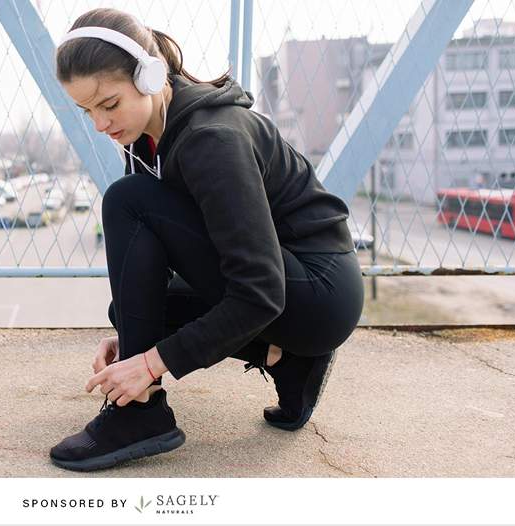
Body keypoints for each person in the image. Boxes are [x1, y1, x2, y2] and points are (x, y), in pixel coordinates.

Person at [50, 7, 364, 472]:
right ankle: (291, 364)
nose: (100, 124)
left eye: (109, 104)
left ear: (151, 75)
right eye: (87, 110)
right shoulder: (145, 142)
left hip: (318, 293)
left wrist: (151, 363)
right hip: (288, 288)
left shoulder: (211, 140)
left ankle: (139, 413)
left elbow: (258, 292)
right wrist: (133, 338)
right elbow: (167, 255)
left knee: (125, 200)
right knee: (131, 313)